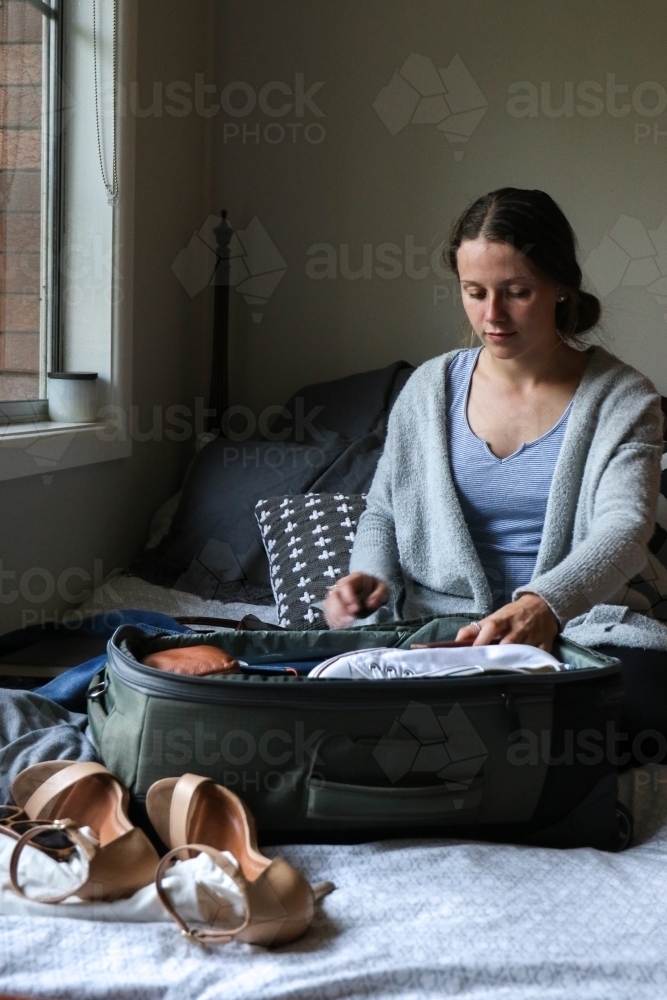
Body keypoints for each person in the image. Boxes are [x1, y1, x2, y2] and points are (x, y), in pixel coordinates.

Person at [323, 188, 663, 652]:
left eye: (517, 292)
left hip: (582, 629)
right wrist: (367, 577)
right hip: (440, 635)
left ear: (561, 287)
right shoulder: (427, 391)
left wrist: (544, 605)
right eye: (474, 292)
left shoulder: (624, 399)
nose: (492, 316)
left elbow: (626, 528)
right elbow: (383, 512)